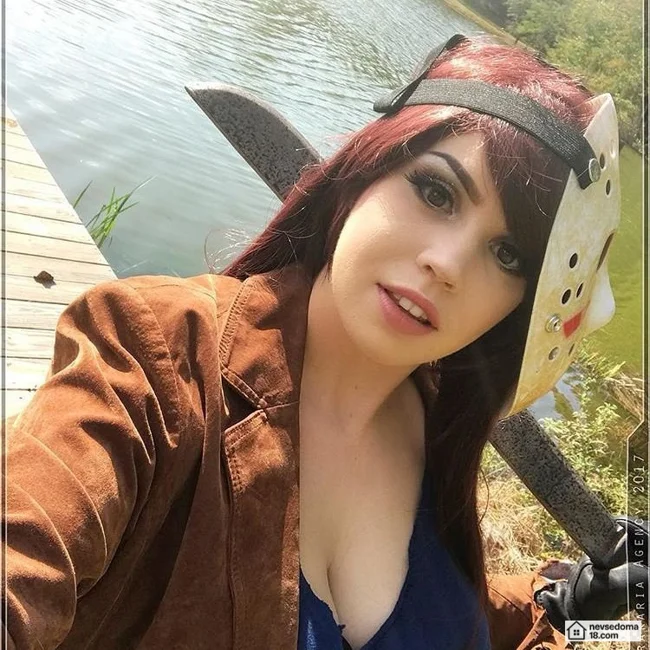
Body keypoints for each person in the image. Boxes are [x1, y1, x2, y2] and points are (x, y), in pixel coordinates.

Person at [3, 34, 632, 650]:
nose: (446, 264)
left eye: (508, 254)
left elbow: (443, 620)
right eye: (436, 192)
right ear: (365, 171)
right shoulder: (158, 359)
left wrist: (575, 611)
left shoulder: (442, 431)